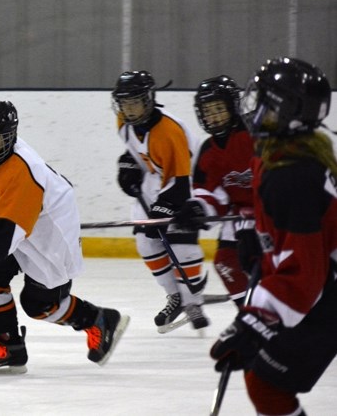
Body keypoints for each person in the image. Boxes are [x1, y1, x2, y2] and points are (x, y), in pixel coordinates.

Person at [0, 98, 129, 374]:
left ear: (10, 138)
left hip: (50, 231)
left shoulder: (21, 172)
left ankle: (97, 319)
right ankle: (10, 348)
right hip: (11, 217)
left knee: (38, 305)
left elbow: (0, 241)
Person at [209, 57, 337, 415]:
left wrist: (253, 321)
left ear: (284, 112)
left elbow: (306, 274)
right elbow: (279, 223)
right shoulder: (283, 155)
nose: (253, 108)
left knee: (266, 385)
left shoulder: (293, 176)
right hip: (323, 286)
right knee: (262, 380)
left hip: (326, 293)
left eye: (264, 101)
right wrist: (255, 234)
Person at [111, 70, 209, 331]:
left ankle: (193, 301)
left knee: (182, 246)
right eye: (124, 102)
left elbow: (182, 181)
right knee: (146, 242)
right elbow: (138, 152)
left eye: (135, 102)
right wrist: (129, 164)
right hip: (156, 180)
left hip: (190, 182)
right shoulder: (123, 122)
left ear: (149, 99)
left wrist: (163, 209)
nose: (129, 109)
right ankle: (175, 297)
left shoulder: (169, 131)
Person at [173, 75, 260, 308]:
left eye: (219, 109)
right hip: (240, 213)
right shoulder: (208, 150)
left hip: (272, 211)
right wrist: (197, 208)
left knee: (264, 262)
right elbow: (209, 192)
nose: (213, 116)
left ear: (233, 107)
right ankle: (249, 313)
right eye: (207, 111)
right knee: (225, 262)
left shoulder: (256, 135)